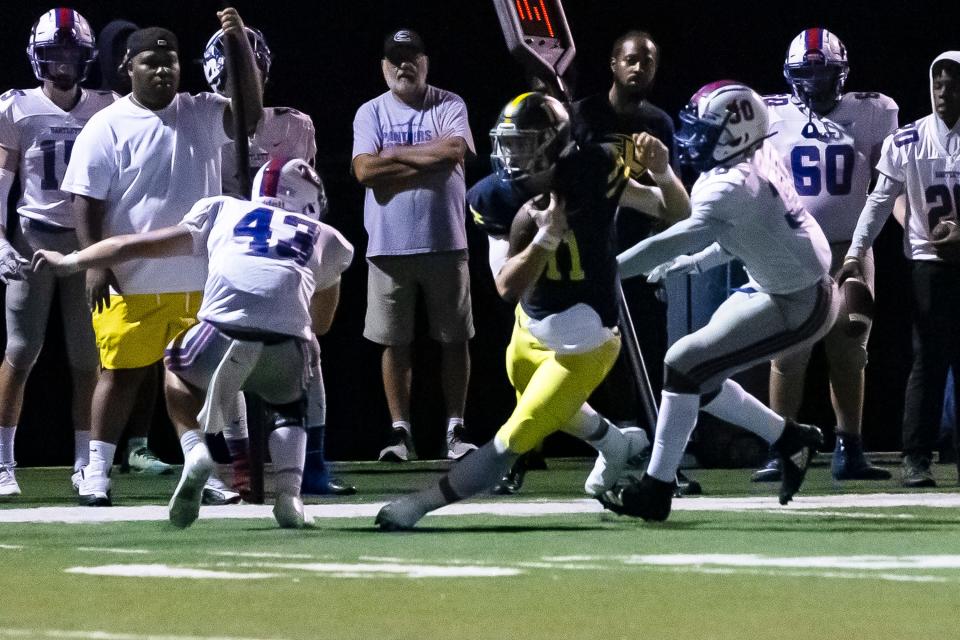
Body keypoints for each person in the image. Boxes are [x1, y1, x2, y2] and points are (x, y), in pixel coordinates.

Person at [376, 91, 689, 531]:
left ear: (554, 143)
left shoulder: (595, 169)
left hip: (587, 340)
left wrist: (662, 173)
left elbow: (674, 211)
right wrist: (545, 239)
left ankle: (419, 504)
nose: (512, 152)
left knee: (514, 437)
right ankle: (616, 445)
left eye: (525, 142)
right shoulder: (493, 197)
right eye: (509, 142)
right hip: (529, 327)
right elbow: (506, 285)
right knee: (543, 401)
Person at [34, 157, 352, 528]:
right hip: (286, 345)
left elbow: (130, 245)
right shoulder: (329, 239)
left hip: (219, 332)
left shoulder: (224, 210)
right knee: (288, 407)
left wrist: (71, 261)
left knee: (178, 370)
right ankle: (289, 496)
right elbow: (323, 324)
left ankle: (196, 450)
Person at [602, 82, 838, 522]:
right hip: (775, 282)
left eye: (705, 128)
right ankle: (790, 439)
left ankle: (657, 488)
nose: (693, 138)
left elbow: (665, 244)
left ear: (738, 131)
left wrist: (604, 271)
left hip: (801, 301)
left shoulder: (732, 183)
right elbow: (751, 232)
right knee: (699, 378)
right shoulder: (751, 160)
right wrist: (695, 264)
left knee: (684, 363)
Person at [59, 7, 263, 506]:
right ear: (129, 67)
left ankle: (201, 467)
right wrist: (95, 262)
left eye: (170, 61)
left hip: (197, 277)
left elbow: (252, 114)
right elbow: (85, 200)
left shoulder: (201, 110)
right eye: (151, 62)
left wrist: (237, 45)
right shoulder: (106, 124)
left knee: (191, 375)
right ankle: (96, 471)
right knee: (121, 374)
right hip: (130, 277)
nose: (163, 69)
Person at [202, 26, 352, 497]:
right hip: (227, 245)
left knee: (308, 350)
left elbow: (305, 194)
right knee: (230, 354)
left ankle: (312, 465)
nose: (249, 81)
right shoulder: (202, 117)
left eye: (255, 70)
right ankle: (243, 461)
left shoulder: (294, 123)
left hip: (284, 247)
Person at [750, 28, 899, 483]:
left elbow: (889, 179)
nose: (814, 82)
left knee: (850, 348)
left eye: (823, 72)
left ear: (842, 73)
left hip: (848, 248)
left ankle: (848, 449)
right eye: (806, 73)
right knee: (788, 351)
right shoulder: (768, 113)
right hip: (792, 249)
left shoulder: (874, 110)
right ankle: (781, 448)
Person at [0, 8, 116, 497]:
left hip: (87, 243)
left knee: (88, 358)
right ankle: (3, 462)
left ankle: (86, 462)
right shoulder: (16, 107)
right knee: (21, 350)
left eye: (72, 53)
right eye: (55, 53)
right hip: (34, 237)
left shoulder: (107, 106)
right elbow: (3, 178)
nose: (63, 63)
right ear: (37, 57)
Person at [352, 29, 476, 462]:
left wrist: (395, 155)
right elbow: (365, 171)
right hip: (388, 247)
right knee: (394, 342)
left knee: (454, 339)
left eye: (412, 57)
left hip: (446, 241)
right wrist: (426, 157)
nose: (404, 65)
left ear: (426, 62)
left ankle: (455, 430)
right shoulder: (369, 111)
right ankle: (400, 433)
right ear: (383, 66)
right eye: (395, 59)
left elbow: (454, 152)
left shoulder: (449, 103)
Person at [840, 51, 960, 488]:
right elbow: (877, 200)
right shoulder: (908, 140)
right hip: (928, 266)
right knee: (928, 360)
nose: (944, 92)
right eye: (938, 83)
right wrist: (855, 251)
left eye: (953, 84)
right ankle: (916, 457)